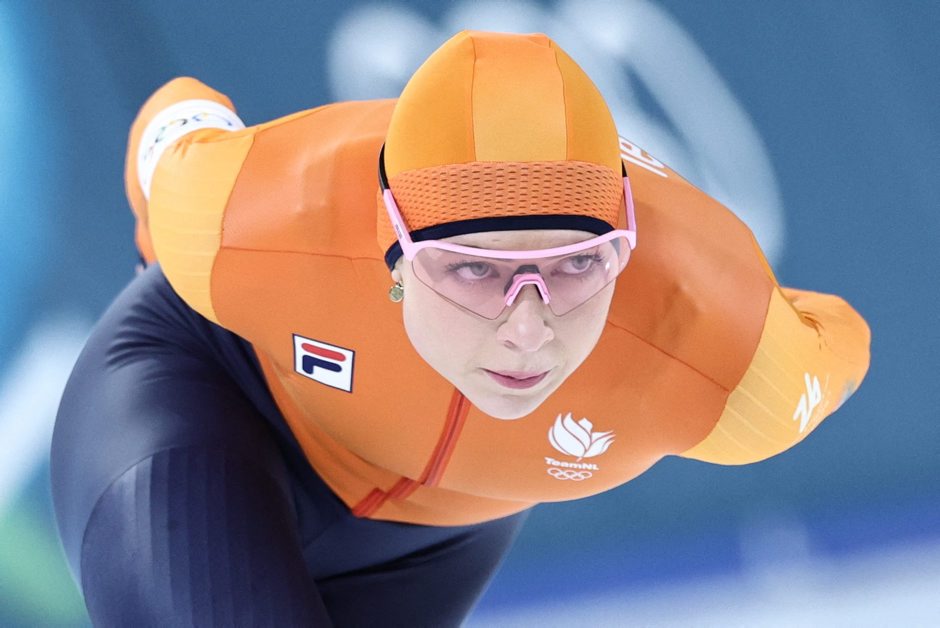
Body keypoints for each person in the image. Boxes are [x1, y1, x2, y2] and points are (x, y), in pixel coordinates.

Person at [51, 30, 870, 626]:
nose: (527, 331)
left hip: (430, 540)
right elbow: (176, 123)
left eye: (575, 267)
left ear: (623, 248)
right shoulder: (257, 216)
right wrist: (173, 256)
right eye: (474, 270)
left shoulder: (728, 351)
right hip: (209, 408)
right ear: (393, 251)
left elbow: (839, 339)